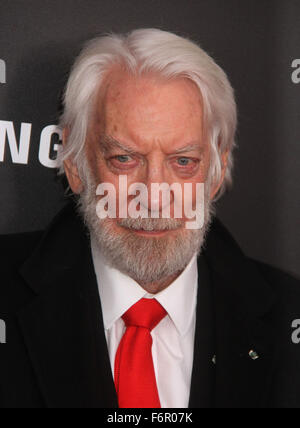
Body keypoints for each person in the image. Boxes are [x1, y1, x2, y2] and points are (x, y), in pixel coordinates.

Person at [0, 28, 299, 409]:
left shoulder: (288, 314)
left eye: (184, 162)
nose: (155, 198)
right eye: (124, 159)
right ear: (75, 164)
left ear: (217, 172)